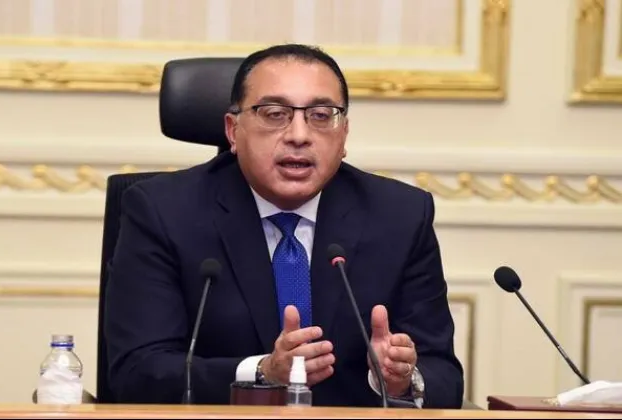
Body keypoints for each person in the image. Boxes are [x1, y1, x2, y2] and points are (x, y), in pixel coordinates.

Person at [104, 43, 464, 408]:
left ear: (344, 134)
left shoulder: (400, 216)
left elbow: (444, 377)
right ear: (233, 130)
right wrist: (262, 373)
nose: (299, 135)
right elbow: (137, 373)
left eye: (321, 115)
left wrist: (403, 381)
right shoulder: (163, 212)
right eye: (275, 114)